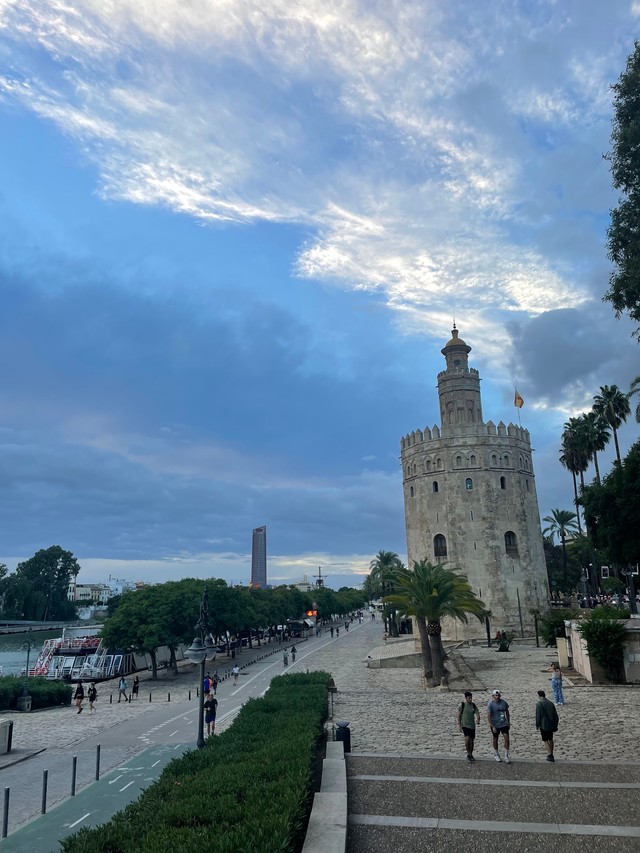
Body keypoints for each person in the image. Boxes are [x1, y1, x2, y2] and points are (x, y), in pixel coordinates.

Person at [487, 689, 511, 763]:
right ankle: (496, 753)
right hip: (495, 724)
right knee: (495, 739)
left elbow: (507, 712)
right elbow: (488, 716)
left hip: (503, 723)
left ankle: (506, 755)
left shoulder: (503, 702)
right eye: (496, 695)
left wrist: (508, 722)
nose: (497, 697)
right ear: (493, 696)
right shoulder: (490, 704)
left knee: (506, 738)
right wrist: (492, 726)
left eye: (498, 695)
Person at [535, 689, 559, 762]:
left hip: (543, 725)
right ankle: (551, 753)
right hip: (551, 724)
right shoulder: (550, 703)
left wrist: (537, 724)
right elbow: (556, 715)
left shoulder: (539, 704)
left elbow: (538, 716)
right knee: (550, 739)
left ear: (539, 696)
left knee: (545, 740)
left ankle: (550, 754)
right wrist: (555, 725)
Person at [457, 691, 480, 762]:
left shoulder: (473, 705)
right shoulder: (462, 705)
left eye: (471, 698)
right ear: (466, 698)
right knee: (467, 739)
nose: (470, 699)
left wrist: (478, 719)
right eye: (469, 698)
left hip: (472, 725)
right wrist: (459, 725)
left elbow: (477, 713)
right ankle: (468, 753)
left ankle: (471, 754)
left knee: (471, 741)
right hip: (465, 725)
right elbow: (459, 715)